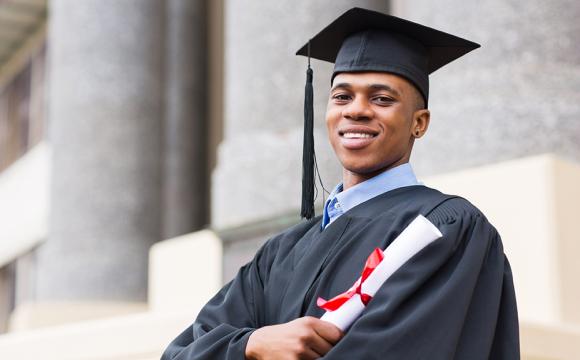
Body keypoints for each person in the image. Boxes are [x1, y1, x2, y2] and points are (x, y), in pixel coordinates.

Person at [161, 7, 519, 360]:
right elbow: (180, 354)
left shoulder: (446, 229)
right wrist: (251, 346)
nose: (356, 110)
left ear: (419, 123)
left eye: (382, 99)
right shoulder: (281, 253)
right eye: (342, 96)